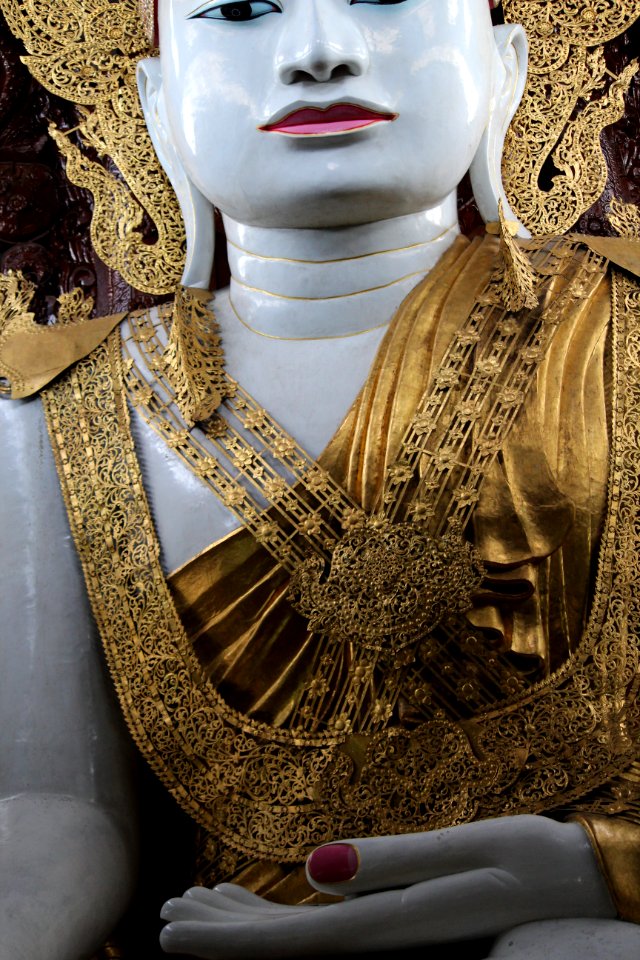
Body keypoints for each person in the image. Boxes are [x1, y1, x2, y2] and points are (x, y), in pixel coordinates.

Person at [1, 1, 640, 958]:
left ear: (503, 68)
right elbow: (52, 802)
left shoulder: (625, 338)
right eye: (243, 10)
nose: (320, 52)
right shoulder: (56, 408)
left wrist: (602, 868)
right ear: (159, 99)